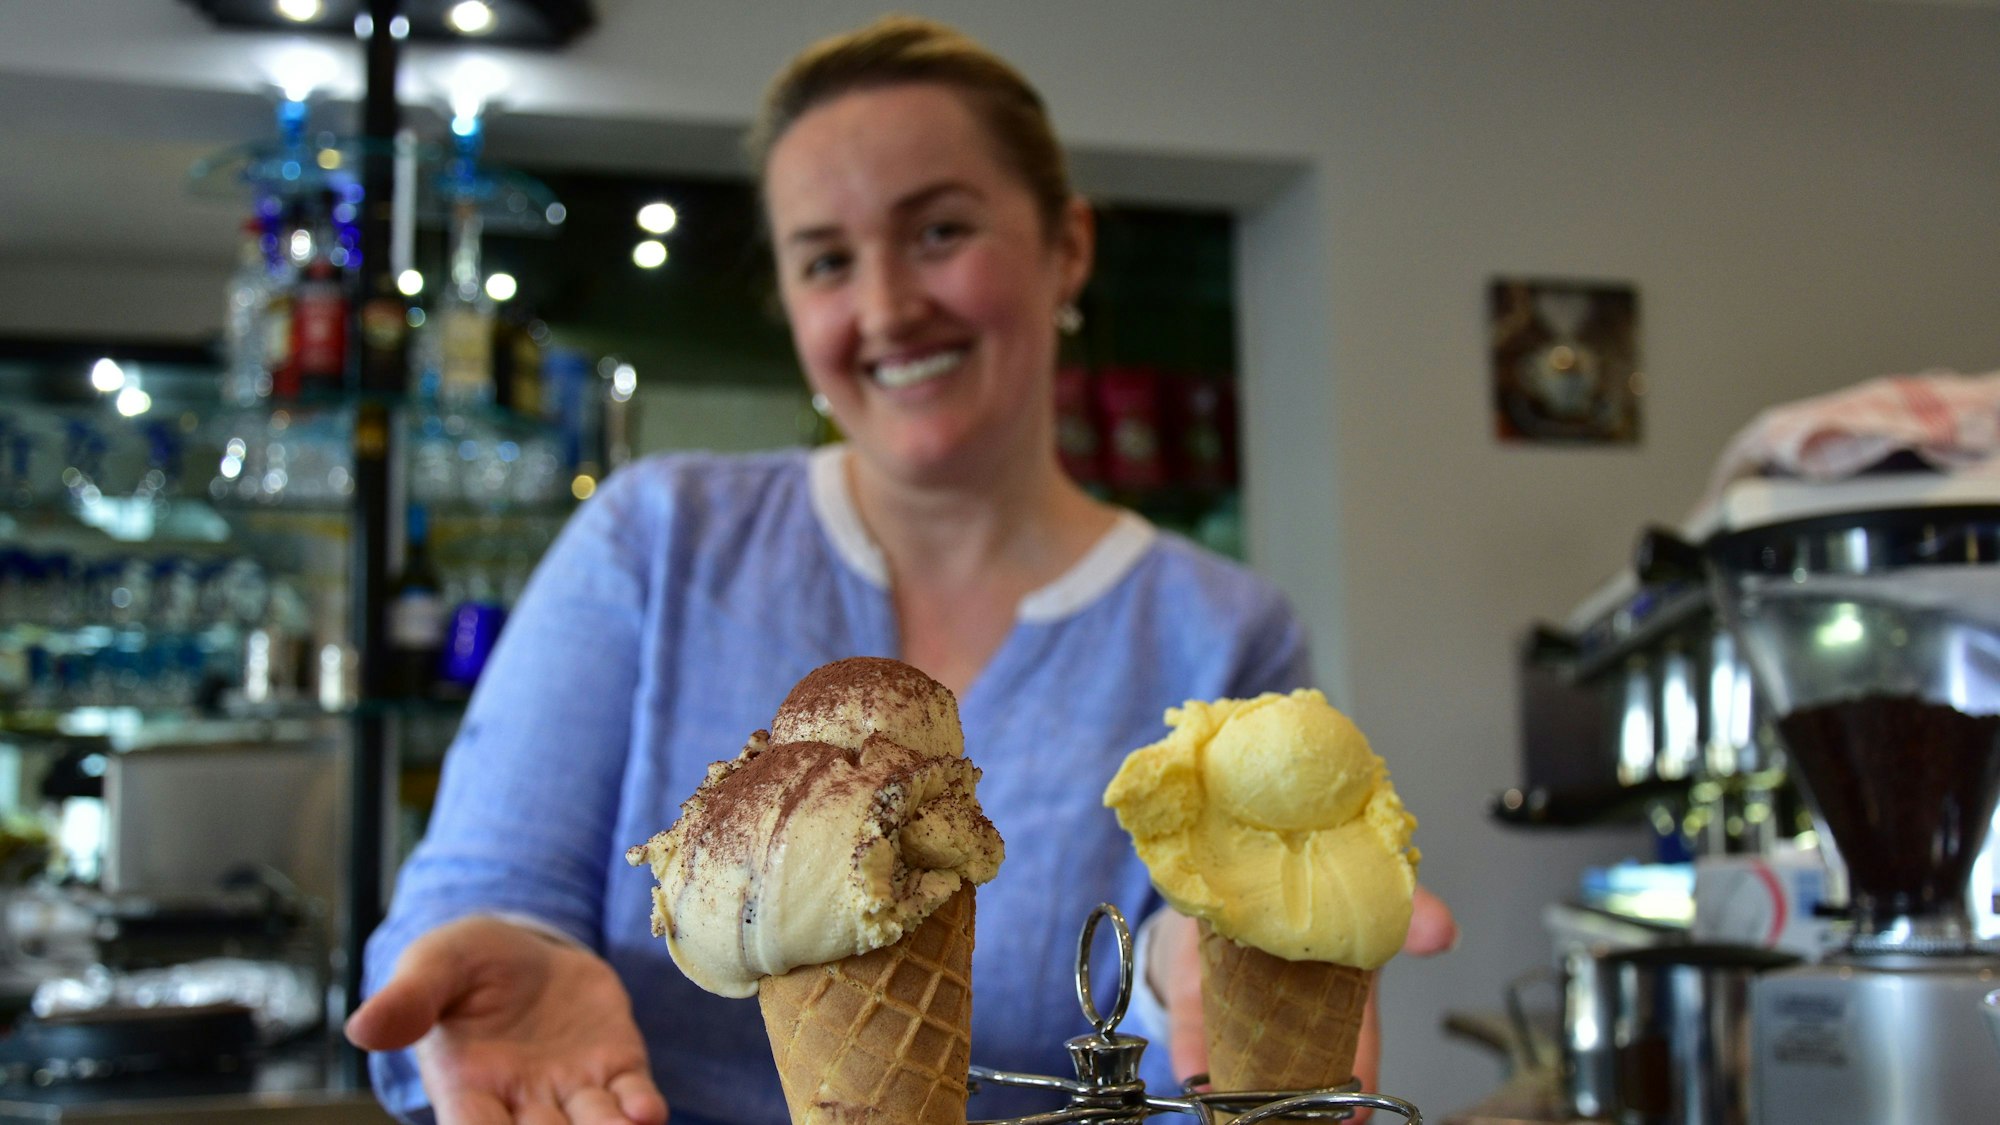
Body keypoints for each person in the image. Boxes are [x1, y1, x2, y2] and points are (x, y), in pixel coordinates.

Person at [347, 16, 1456, 1125]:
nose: (883, 306)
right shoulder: (656, 535)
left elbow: (1175, 1047)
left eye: (937, 232)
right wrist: (494, 947)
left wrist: (1193, 973)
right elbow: (482, 882)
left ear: (1065, 246)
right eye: (825, 259)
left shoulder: (1221, 628)